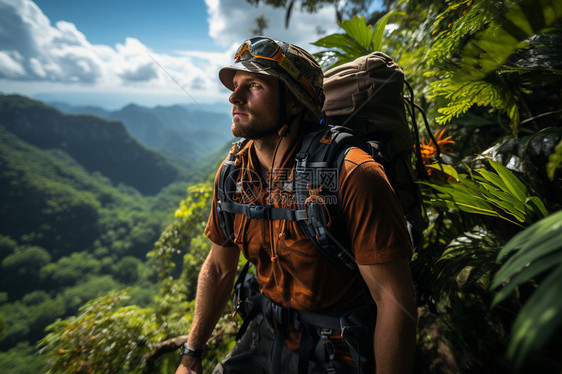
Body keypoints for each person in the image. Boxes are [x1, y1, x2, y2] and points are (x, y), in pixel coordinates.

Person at [175, 37, 417, 374]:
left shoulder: (353, 174)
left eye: (254, 85)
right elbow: (218, 268)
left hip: (339, 348)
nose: (234, 97)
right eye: (235, 86)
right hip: (265, 335)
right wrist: (191, 355)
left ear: (294, 103)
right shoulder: (233, 175)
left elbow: (394, 301)